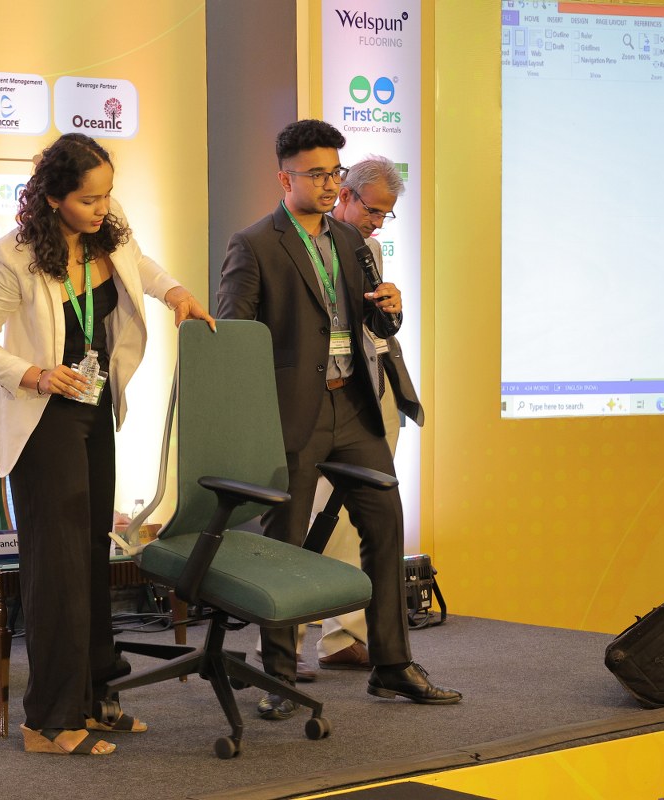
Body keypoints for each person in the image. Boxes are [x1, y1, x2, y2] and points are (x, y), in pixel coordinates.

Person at [0, 132, 215, 756]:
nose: (102, 208)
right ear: (53, 199)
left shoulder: (109, 225)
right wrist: (36, 373)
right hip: (41, 419)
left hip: (94, 409)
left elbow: (137, 264)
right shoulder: (12, 257)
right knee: (59, 568)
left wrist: (175, 292)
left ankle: (96, 697)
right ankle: (48, 721)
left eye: (107, 195)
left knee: (94, 558)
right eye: (88, 200)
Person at [217, 120, 460, 718]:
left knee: (385, 524)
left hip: (353, 407)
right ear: (286, 179)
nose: (329, 185)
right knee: (285, 543)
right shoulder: (255, 244)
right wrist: (255, 420)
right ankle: (279, 675)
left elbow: (371, 324)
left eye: (335, 173)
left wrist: (391, 311)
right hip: (292, 414)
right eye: (317, 174)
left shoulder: (352, 242)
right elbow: (234, 342)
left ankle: (392, 664)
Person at [298, 155, 426, 676]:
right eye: (371, 210)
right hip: (316, 398)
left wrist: (392, 306)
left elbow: (375, 327)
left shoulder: (366, 248)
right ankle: (279, 642)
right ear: (344, 195)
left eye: (385, 214)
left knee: (367, 518)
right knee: (315, 520)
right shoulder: (296, 243)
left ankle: (345, 636)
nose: (377, 222)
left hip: (369, 391)